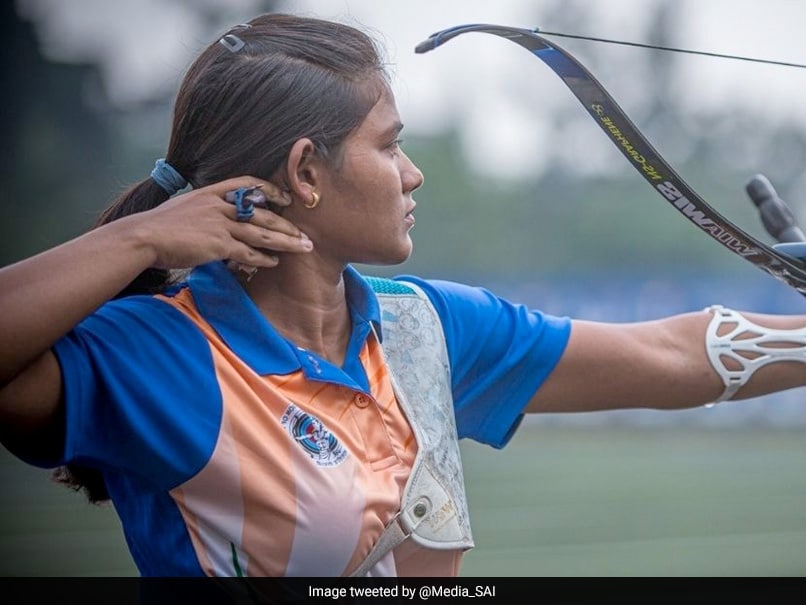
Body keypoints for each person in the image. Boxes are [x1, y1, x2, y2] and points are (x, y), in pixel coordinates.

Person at [1, 12, 806, 579]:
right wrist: (139, 239)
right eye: (390, 146)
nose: (412, 173)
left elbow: (667, 354)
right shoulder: (161, 353)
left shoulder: (422, 328)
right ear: (307, 171)